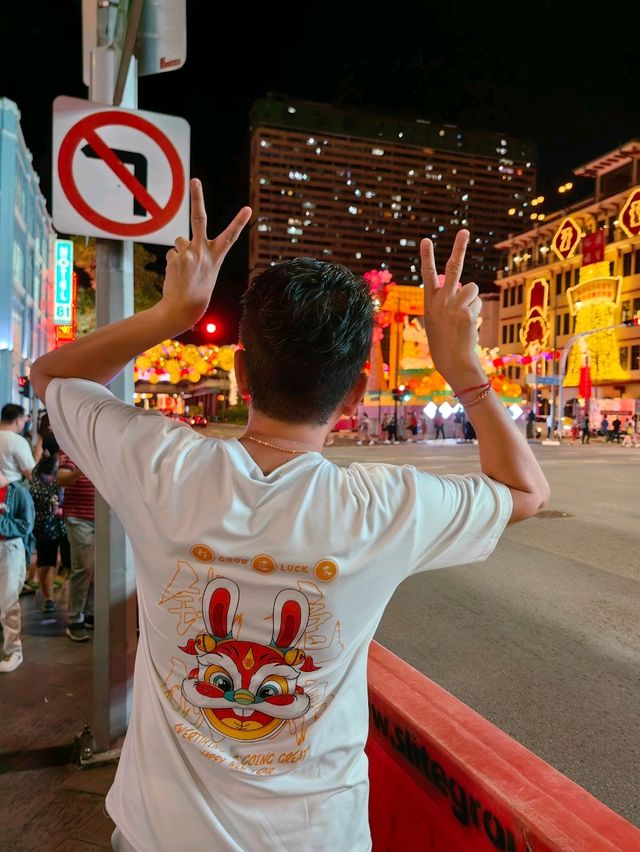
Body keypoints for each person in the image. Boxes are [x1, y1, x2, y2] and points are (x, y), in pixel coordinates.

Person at [30, 180, 549, 852]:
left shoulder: (162, 465)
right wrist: (465, 370)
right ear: (357, 390)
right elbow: (526, 492)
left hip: (160, 834)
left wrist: (173, 312)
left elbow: (51, 377)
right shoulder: (385, 505)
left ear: (242, 375)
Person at [57, 450, 96, 641]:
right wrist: (82, 470)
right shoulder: (73, 449)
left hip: (105, 519)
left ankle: (91, 612)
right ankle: (75, 619)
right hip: (80, 518)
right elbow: (61, 479)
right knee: (83, 568)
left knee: (98, 568)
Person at [0, 468, 35, 673]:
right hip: (8, 548)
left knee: (8, 601)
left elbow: (25, 526)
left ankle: (14, 650)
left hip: (10, 549)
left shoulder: (18, 492)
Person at [30, 440, 68, 613]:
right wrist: (57, 507)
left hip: (43, 526)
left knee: (47, 563)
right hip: (55, 524)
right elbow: (53, 499)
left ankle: (49, 599)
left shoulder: (37, 470)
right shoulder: (56, 468)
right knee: (52, 563)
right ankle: (51, 598)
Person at [0, 403, 36, 484]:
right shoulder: (18, 441)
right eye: (23, 420)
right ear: (17, 421)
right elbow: (30, 472)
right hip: (10, 489)